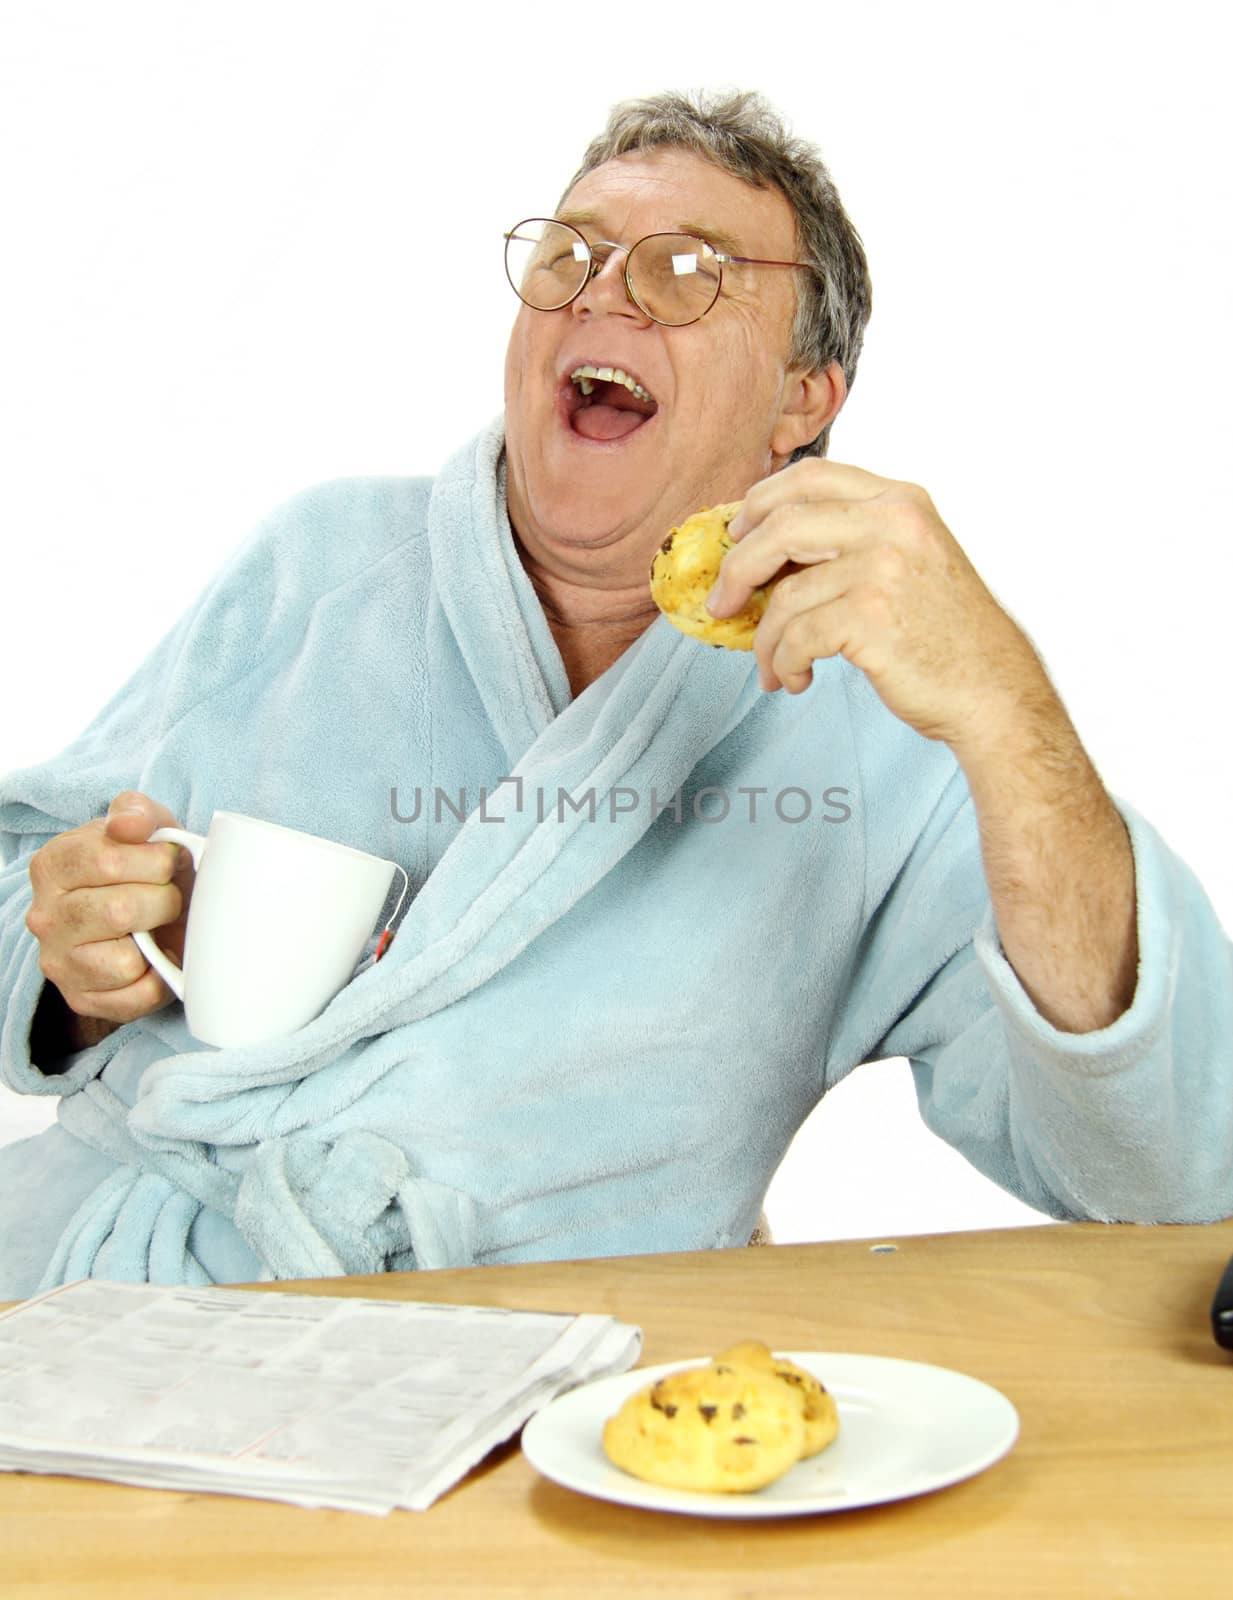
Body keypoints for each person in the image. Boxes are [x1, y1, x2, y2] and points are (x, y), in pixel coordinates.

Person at [1, 90, 1229, 1299]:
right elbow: (31, 885)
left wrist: (1009, 715)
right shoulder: (320, 562)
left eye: (685, 267)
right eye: (569, 255)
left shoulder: (876, 734)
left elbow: (1160, 1167)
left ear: (805, 400)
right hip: (99, 1293)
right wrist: (72, 973)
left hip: (531, 1379)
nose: (600, 291)